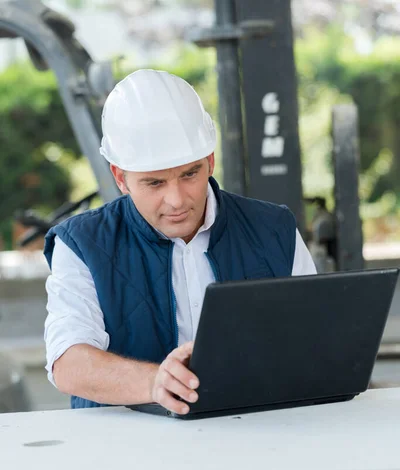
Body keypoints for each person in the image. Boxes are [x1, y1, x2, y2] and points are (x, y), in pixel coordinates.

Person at [44, 69, 316, 415]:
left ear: (210, 161)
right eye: (155, 183)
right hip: (122, 452)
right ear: (120, 178)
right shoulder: (81, 244)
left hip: (255, 433)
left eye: (190, 174)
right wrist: (155, 383)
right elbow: (68, 363)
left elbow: (313, 341)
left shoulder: (274, 229)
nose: (176, 200)